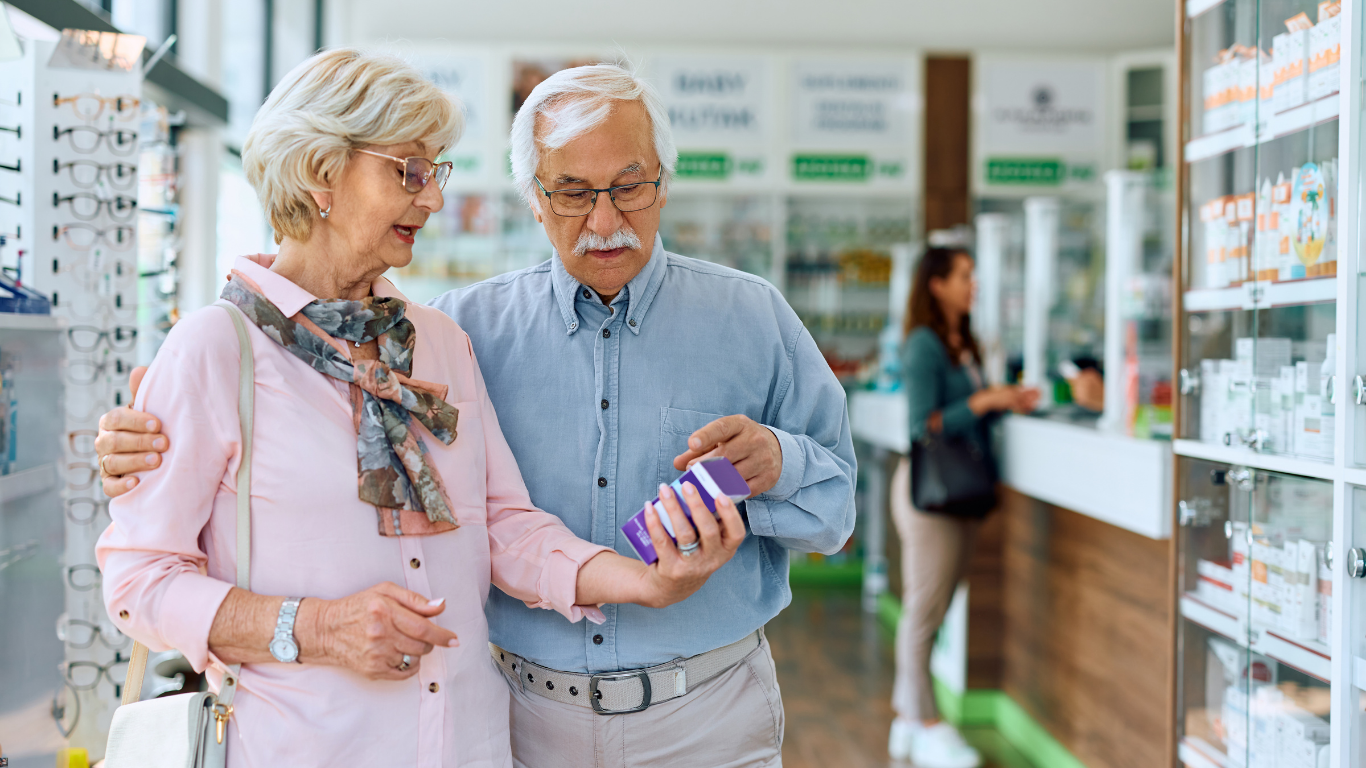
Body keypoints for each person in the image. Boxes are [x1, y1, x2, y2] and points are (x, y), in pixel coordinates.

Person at [96, 63, 857, 767]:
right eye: (411, 172)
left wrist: (648, 581)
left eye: (628, 187)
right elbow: (140, 577)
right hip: (320, 743)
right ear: (323, 173)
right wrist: (315, 627)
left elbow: (499, 525)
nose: (431, 198)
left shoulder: (437, 342)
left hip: (487, 740)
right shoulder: (218, 350)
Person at [886, 247, 1038, 768]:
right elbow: (920, 425)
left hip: (960, 494)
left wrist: (1005, 402)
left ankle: (906, 718)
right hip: (931, 494)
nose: (974, 285)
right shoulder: (924, 345)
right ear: (936, 285)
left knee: (936, 608)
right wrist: (984, 402)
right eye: (965, 276)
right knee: (924, 613)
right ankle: (928, 724)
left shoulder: (964, 342)